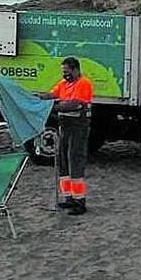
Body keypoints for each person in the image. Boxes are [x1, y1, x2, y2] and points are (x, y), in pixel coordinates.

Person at [39, 57, 94, 216]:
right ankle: (68, 197)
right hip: (65, 126)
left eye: (67, 72)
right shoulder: (64, 84)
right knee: (62, 160)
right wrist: (37, 98)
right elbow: (52, 94)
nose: (65, 75)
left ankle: (79, 201)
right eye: (63, 72)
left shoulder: (83, 84)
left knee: (75, 160)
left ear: (76, 69)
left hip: (78, 126)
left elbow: (74, 104)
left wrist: (52, 107)